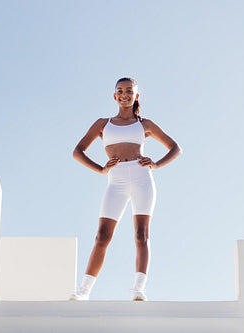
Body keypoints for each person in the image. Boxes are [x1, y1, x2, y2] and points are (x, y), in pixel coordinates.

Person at [70, 77, 182, 301]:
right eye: (120, 91)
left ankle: (139, 289)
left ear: (136, 95)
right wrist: (101, 169)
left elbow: (175, 148)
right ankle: (83, 291)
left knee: (142, 235)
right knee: (102, 236)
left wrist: (156, 164)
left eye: (129, 91)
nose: (124, 94)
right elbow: (78, 151)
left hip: (142, 179)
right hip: (116, 182)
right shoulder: (103, 124)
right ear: (114, 96)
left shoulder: (145, 125)